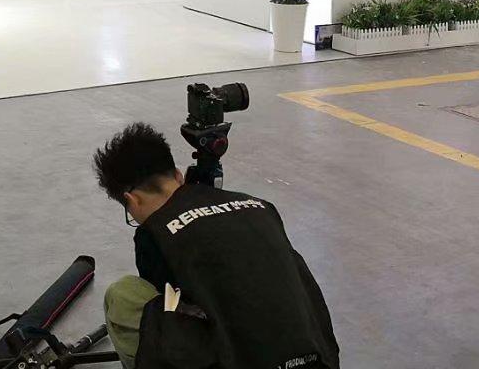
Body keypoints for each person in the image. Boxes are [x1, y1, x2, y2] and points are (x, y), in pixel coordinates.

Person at [93, 123, 339, 369]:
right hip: (319, 361)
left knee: (123, 294)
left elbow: (172, 311)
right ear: (178, 175)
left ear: (132, 199)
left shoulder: (153, 232)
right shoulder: (261, 207)